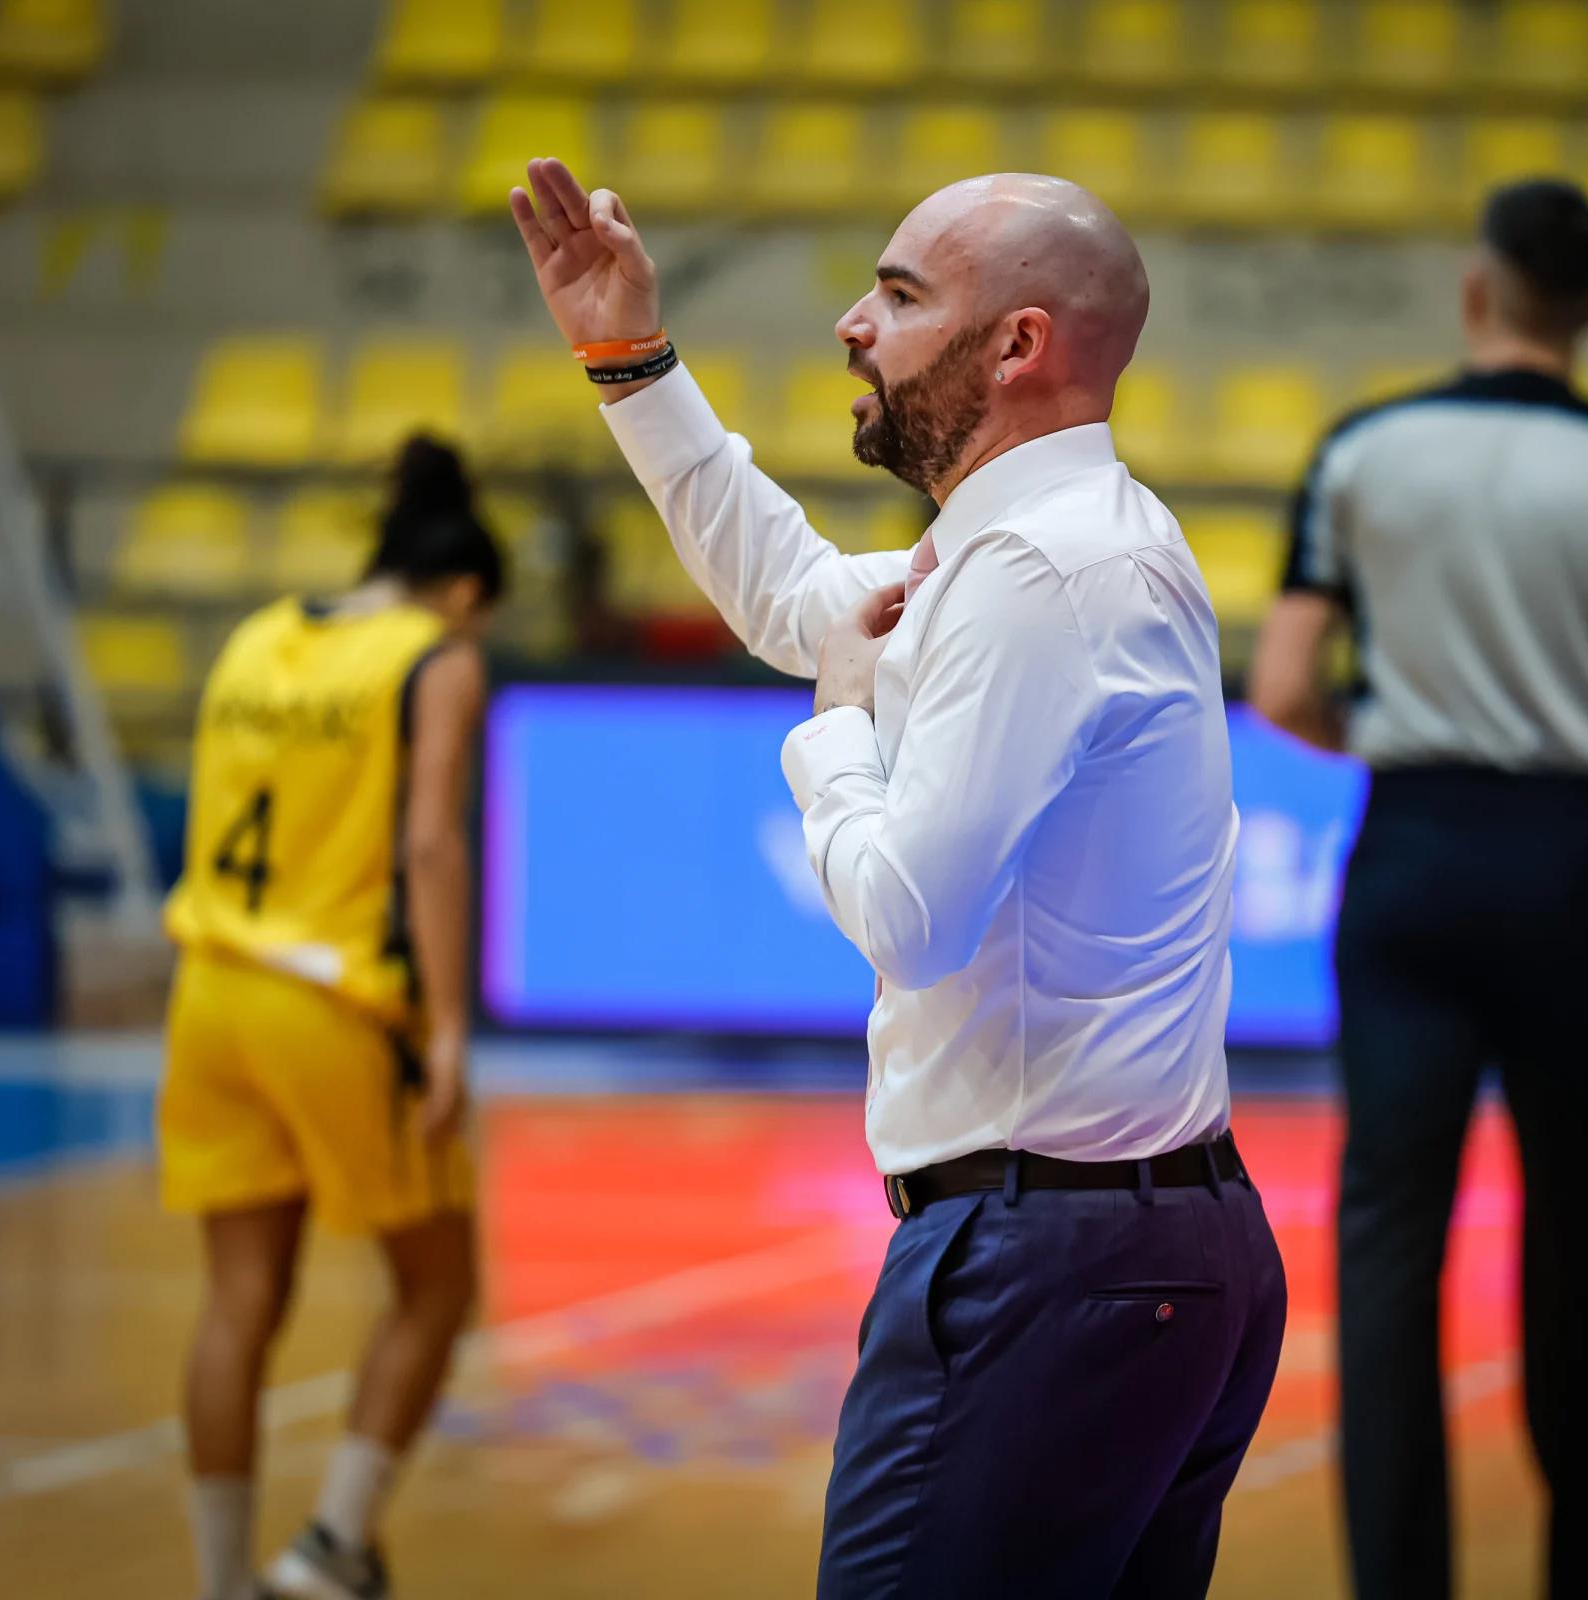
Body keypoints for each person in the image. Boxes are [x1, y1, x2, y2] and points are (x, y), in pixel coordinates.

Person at [507, 158, 1287, 1596]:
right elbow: (789, 595)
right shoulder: (1041, 547)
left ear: (1018, 346)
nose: (854, 324)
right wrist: (629, 360)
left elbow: (911, 918)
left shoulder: (1040, 575)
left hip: (1048, 1259)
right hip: (1148, 1244)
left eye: (901, 293)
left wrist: (837, 744)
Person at [1249, 179, 1588, 1600]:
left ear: (1477, 294)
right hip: (1576, 875)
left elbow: (1283, 683)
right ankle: (1578, 1577)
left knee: (1389, 1253)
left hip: (1410, 859)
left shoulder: (1363, 451)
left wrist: (1400, 748)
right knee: (1571, 1244)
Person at [160, 437, 500, 1600]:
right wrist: (449, 1025)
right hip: (335, 1000)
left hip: (209, 989)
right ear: (464, 592)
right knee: (439, 1284)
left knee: (238, 1299)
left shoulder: (258, 636)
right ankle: (331, 1546)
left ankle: (219, 1581)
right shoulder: (435, 656)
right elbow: (429, 845)